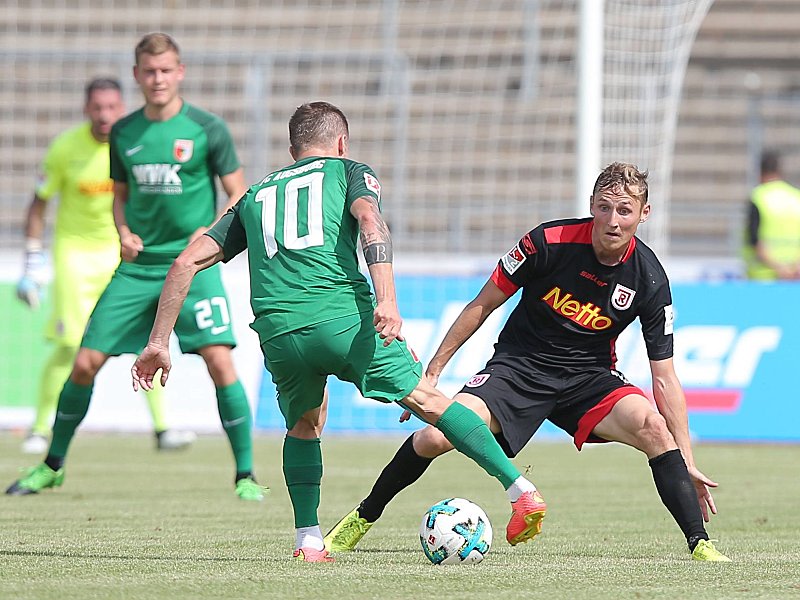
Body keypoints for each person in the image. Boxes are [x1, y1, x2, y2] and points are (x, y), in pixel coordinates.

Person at [129, 101, 544, 563]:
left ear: (292, 149)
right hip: (341, 319)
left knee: (304, 425)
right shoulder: (349, 172)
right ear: (341, 143)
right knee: (429, 402)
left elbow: (186, 262)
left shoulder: (255, 195)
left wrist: (158, 343)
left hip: (279, 332)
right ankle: (519, 489)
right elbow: (370, 221)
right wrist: (387, 298)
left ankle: (308, 539)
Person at [323, 162, 731, 562]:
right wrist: (432, 373)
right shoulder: (548, 242)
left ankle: (700, 543)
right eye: (604, 207)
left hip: (589, 380)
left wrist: (687, 460)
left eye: (624, 210)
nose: (612, 219)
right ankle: (362, 516)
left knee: (654, 428)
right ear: (591, 204)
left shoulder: (650, 278)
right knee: (434, 437)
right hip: (518, 369)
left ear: (644, 214)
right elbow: (482, 304)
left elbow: (665, 379)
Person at [6, 32, 264, 501]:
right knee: (84, 362)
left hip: (194, 268)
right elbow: (119, 196)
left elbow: (238, 194)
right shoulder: (125, 132)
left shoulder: (207, 128)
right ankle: (52, 465)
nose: (158, 79)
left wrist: (209, 232)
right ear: (136, 76)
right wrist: (123, 231)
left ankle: (245, 475)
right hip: (139, 269)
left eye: (166, 71)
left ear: (180, 72)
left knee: (220, 362)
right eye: (149, 72)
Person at [15, 77, 196, 455]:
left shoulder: (134, 143)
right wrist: (32, 260)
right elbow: (38, 204)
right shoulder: (65, 148)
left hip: (123, 253)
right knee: (70, 347)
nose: (104, 116)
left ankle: (163, 429)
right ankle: (39, 428)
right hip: (75, 257)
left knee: (147, 344)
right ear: (86, 110)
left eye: (112, 108)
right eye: (97, 108)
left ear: (121, 107)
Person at [742, 150, 800, 280]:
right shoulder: (796, 197)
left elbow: (754, 239)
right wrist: (795, 267)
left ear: (760, 173)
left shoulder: (758, 197)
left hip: (764, 276)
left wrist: (779, 269)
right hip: (794, 276)